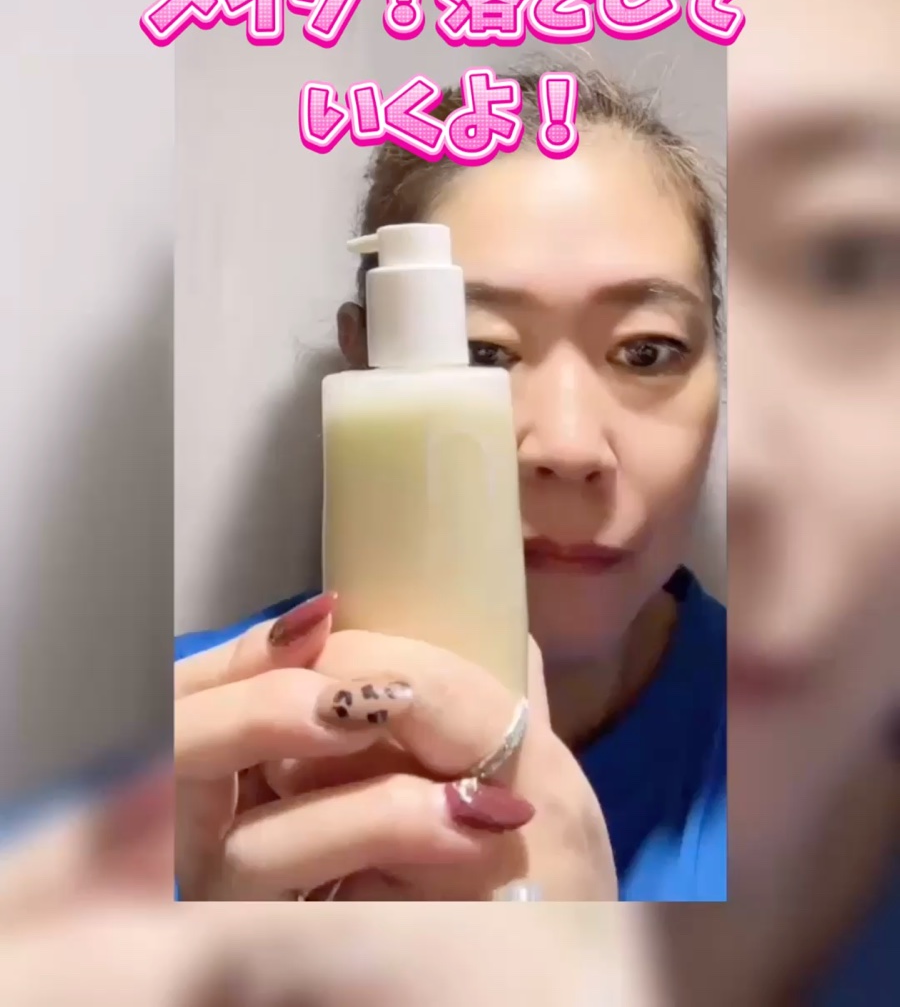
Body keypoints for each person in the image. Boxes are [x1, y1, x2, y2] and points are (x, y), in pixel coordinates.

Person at [174, 63, 726, 901]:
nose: (569, 446)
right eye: (480, 353)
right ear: (363, 361)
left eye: (646, 351)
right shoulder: (181, 745)